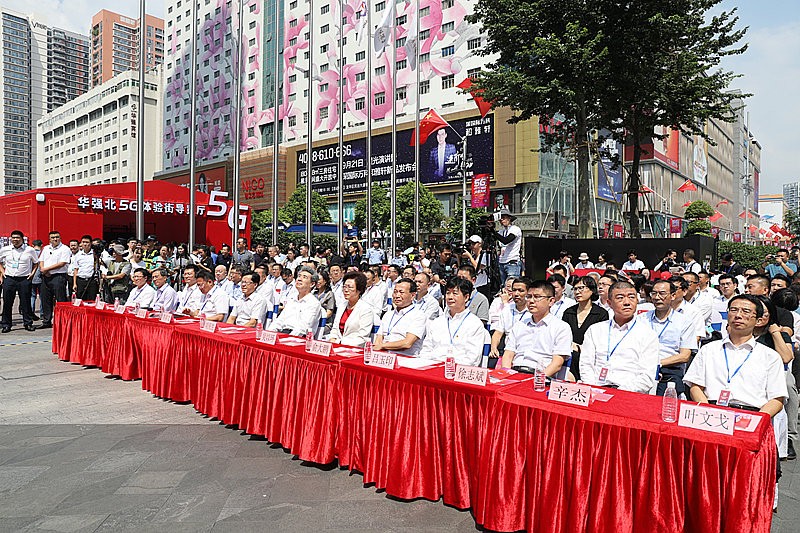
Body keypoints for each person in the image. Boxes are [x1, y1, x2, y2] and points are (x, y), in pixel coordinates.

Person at [684, 293, 787, 415]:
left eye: (746, 311)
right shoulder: (708, 349)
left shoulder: (770, 356)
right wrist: (709, 413)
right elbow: (695, 387)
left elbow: (777, 398)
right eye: (733, 310)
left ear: (758, 320)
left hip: (751, 414)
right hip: (711, 412)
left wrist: (757, 420)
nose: (738, 315)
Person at [579, 281, 661, 392]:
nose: (627, 302)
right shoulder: (595, 330)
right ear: (609, 303)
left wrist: (618, 393)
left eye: (631, 297)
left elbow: (646, 377)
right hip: (595, 389)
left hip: (628, 393)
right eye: (620, 298)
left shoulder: (647, 334)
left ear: (637, 300)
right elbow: (586, 365)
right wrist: (593, 389)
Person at [500, 280, 572, 376]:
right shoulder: (519, 325)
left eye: (537, 297)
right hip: (514, 374)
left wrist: (538, 379)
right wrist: (506, 375)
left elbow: (557, 364)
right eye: (529, 297)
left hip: (540, 376)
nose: (531, 301)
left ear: (551, 301)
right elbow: (508, 355)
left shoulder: (561, 327)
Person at [418, 277, 490, 366]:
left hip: (458, 370)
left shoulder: (474, 324)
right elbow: (425, 350)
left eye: (455, 293)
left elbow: (472, 360)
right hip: (432, 368)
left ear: (466, 297)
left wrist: (447, 366)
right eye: (448, 293)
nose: (450, 297)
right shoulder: (437, 322)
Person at [646, 280, 698, 396]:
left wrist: (657, 363)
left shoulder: (684, 321)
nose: (657, 297)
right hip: (642, 368)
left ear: (673, 296)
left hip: (669, 369)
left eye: (662, 293)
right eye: (654, 293)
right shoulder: (641, 319)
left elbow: (684, 356)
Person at [561, 276, 609, 381]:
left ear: (591, 290)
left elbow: (601, 341)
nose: (577, 292)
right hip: (569, 358)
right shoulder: (568, 312)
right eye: (575, 289)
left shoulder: (601, 314)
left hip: (590, 359)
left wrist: (579, 347)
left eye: (581, 288)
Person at [374, 278, 427, 356]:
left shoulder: (418, 315)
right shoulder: (388, 314)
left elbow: (407, 343)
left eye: (401, 292)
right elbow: (378, 339)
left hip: (404, 358)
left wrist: (382, 346)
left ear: (412, 295)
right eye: (395, 292)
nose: (397, 296)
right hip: (384, 356)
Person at [0, 230, 39, 332]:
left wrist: (32, 274)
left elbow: (36, 263)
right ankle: (6, 324)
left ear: (22, 239)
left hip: (24, 279)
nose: (15, 240)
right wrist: (3, 272)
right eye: (13, 238)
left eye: (17, 238)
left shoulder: (30, 250)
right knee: (7, 302)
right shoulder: (5, 249)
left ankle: (28, 323)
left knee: (25, 302)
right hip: (9, 278)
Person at [267, 266, 322, 336]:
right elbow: (279, 321)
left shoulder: (313, 303)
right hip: (283, 333)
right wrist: (269, 333)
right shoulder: (292, 300)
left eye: (304, 277)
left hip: (299, 338)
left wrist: (287, 338)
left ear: (312, 284)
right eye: (299, 276)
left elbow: (303, 328)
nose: (299, 279)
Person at [37, 231, 72, 329]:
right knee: (45, 299)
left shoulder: (65, 249)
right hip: (45, 276)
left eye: (57, 237)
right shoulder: (46, 248)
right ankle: (46, 321)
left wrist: (47, 269)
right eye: (53, 237)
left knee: (60, 299)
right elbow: (41, 260)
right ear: (49, 239)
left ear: (60, 238)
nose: (55, 239)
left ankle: (62, 321)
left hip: (58, 276)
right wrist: (43, 270)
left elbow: (62, 263)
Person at [328, 271, 374, 346]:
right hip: (336, 345)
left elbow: (362, 337)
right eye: (344, 287)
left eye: (350, 287)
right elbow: (335, 329)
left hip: (354, 348)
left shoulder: (366, 309)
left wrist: (340, 342)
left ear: (359, 290)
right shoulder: (342, 306)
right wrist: (332, 338)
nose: (346, 290)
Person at [495, 209, 522, 285]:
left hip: (512, 262)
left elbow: (506, 240)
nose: (501, 220)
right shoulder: (501, 231)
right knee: (504, 286)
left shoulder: (515, 229)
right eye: (500, 218)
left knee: (511, 285)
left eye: (503, 217)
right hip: (502, 262)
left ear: (509, 218)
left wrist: (493, 232)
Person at [70, 235, 99, 301]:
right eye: (83, 242)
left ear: (91, 243)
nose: (85, 244)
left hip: (91, 280)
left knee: (91, 300)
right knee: (80, 300)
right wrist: (74, 284)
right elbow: (76, 270)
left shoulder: (95, 254)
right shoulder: (78, 255)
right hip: (80, 280)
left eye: (87, 242)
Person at [461, 235, 491, 299]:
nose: (471, 245)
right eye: (470, 243)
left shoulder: (484, 254)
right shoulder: (473, 256)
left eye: (474, 243)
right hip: (473, 285)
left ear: (480, 244)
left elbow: (478, 267)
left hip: (482, 285)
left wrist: (469, 256)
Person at [314, 269, 336, 336]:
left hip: (325, 323)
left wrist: (317, 319)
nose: (317, 282)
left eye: (319, 280)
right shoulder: (314, 294)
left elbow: (329, 313)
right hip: (314, 321)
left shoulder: (329, 294)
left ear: (325, 281)